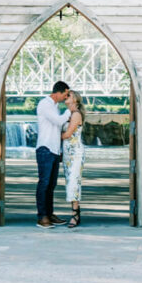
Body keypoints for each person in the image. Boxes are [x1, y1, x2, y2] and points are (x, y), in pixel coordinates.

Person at [35, 80, 70, 228]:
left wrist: (60, 151)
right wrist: (71, 110)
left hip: (54, 150)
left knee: (51, 185)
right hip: (45, 149)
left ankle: (49, 214)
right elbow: (58, 121)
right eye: (66, 94)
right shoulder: (45, 104)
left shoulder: (54, 106)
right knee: (44, 183)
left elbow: (57, 128)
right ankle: (42, 217)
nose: (66, 98)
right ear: (58, 92)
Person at [61, 90, 86, 229]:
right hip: (67, 153)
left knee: (74, 182)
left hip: (76, 152)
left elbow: (68, 134)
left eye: (68, 95)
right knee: (70, 182)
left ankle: (75, 214)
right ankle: (76, 212)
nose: (66, 97)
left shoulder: (76, 114)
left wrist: (50, 136)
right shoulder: (68, 114)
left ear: (75, 100)